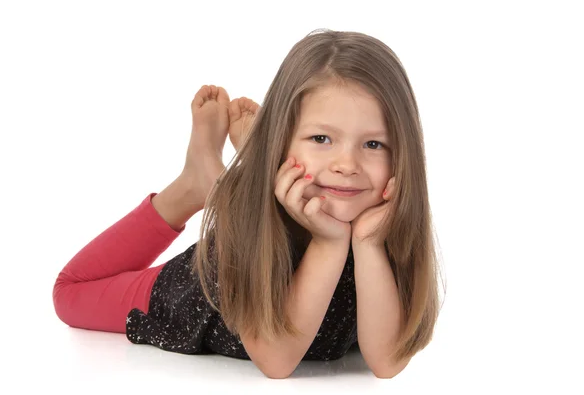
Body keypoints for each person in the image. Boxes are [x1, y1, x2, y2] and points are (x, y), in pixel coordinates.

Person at [53, 28, 444, 379]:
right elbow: (277, 362)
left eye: (374, 144)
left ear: (403, 156)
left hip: (275, 202)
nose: (346, 166)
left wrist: (369, 243)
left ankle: (251, 168)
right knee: (70, 293)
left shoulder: (384, 224)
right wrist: (328, 242)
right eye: (321, 139)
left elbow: (387, 362)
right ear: (285, 139)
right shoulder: (245, 229)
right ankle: (195, 184)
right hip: (198, 293)